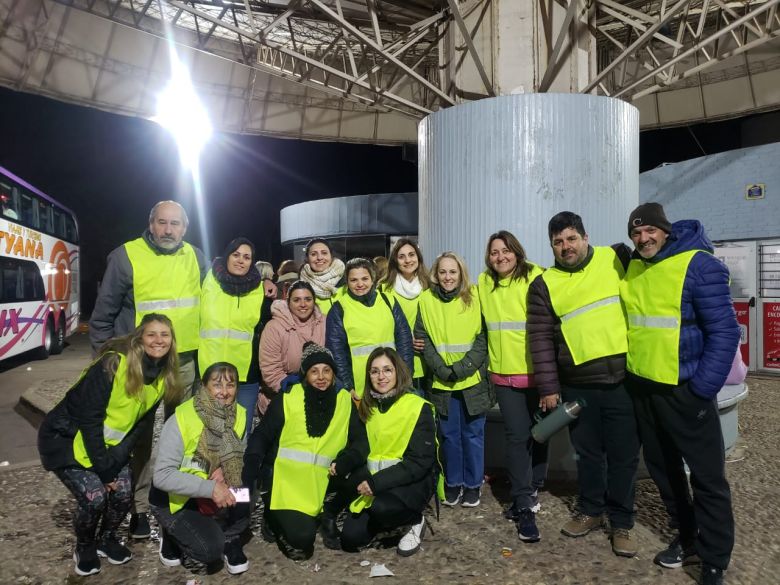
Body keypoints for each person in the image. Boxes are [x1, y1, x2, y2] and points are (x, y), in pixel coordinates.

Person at [620, 203, 739, 585]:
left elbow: (725, 332)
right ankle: (686, 538)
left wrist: (701, 388)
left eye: (649, 231)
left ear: (665, 230)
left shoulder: (698, 265)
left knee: (707, 479)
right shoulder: (636, 267)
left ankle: (714, 558)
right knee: (665, 473)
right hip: (646, 391)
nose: (643, 239)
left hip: (686, 391)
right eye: (636, 234)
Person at [88, 200, 207, 538]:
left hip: (184, 363)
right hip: (139, 363)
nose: (168, 230)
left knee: (182, 436)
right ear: (150, 223)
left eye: (175, 224)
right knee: (137, 439)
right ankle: (137, 506)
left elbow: (218, 295)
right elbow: (102, 317)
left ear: (185, 228)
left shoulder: (196, 257)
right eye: (162, 223)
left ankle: (176, 499)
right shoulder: (126, 256)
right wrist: (105, 365)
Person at [527, 211, 640, 557]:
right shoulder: (544, 284)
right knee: (588, 454)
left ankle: (621, 522)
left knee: (623, 456)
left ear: (586, 237)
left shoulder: (617, 257)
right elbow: (541, 339)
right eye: (558, 242)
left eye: (571, 238)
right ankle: (591, 510)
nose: (566, 247)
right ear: (552, 246)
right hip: (578, 386)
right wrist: (548, 387)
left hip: (623, 380)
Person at [38, 314, 181, 576]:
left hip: (106, 445)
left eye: (165, 335)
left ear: (172, 342)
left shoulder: (162, 376)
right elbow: (89, 421)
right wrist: (104, 471)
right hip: (66, 438)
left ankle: (106, 538)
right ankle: (85, 545)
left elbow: (137, 427)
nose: (158, 340)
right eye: (152, 334)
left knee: (124, 492)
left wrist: (115, 462)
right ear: (139, 339)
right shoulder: (112, 364)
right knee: (95, 498)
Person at [242, 343, 367, 560]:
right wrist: (252, 462)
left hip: (323, 481)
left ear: (334, 374)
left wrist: (347, 460)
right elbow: (262, 434)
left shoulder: (344, 400)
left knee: (363, 470)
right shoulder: (290, 396)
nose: (321, 377)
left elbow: (361, 443)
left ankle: (328, 514)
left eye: (327, 370)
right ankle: (272, 513)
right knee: (302, 541)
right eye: (314, 371)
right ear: (305, 374)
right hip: (287, 484)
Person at [476, 230, 549, 543]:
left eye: (505, 250)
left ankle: (532, 488)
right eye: (494, 252)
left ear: (517, 252)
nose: (500, 257)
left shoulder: (537, 276)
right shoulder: (483, 283)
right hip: (505, 376)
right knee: (518, 438)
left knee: (541, 434)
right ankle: (523, 506)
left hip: (539, 374)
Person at [150, 362, 250, 575]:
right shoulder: (182, 418)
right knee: (209, 550)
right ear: (204, 387)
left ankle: (231, 537)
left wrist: (223, 469)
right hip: (175, 498)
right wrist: (210, 488)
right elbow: (162, 476)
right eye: (217, 385)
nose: (224, 392)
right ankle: (170, 532)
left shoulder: (239, 414)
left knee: (246, 488)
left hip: (212, 486)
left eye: (230, 385)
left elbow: (241, 454)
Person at [341, 347, 437, 556]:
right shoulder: (368, 407)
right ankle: (388, 523)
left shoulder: (417, 407)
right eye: (374, 371)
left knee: (382, 509)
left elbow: (419, 462)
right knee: (350, 538)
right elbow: (360, 447)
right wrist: (343, 464)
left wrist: (376, 483)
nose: (381, 376)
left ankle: (414, 520)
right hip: (378, 484)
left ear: (398, 372)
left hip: (412, 483)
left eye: (387, 370)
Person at [415, 252, 492, 508]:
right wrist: (441, 369)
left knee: (473, 435)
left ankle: (472, 484)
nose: (448, 277)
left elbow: (483, 338)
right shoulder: (425, 300)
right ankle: (453, 482)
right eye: (443, 272)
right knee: (448, 436)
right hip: (441, 382)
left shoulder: (475, 297)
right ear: (435, 275)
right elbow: (422, 338)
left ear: (461, 274)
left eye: (453, 272)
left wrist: (462, 368)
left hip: (471, 381)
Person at [199, 237, 270, 436]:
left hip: (246, 374)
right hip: (210, 370)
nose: (241, 260)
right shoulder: (207, 278)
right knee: (210, 432)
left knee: (240, 432)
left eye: (247, 257)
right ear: (226, 256)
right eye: (236, 255)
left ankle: (237, 468)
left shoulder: (260, 288)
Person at [326, 257, 414, 399]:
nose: (360, 284)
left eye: (365, 279)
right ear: (347, 282)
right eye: (354, 280)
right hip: (361, 387)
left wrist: (406, 377)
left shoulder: (388, 301)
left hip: (392, 381)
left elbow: (404, 341)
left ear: (372, 279)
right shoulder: (339, 309)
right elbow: (337, 353)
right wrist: (347, 386)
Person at [259, 280, 326, 412]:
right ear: (288, 302)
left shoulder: (325, 322)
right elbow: (270, 370)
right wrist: (297, 391)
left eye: (308, 299)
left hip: (320, 394)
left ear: (314, 301)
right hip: (282, 397)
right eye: (296, 300)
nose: (303, 304)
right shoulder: (274, 327)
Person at [380, 238, 429, 389]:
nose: (408, 260)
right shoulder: (384, 289)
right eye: (402, 256)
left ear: (418, 258)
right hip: (398, 361)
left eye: (411, 255)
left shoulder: (429, 286)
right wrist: (406, 341)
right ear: (395, 260)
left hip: (428, 362)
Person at [298, 238, 345, 315]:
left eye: (324, 253)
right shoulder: (299, 286)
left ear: (331, 256)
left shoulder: (348, 280)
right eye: (313, 254)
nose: (319, 258)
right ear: (307, 258)